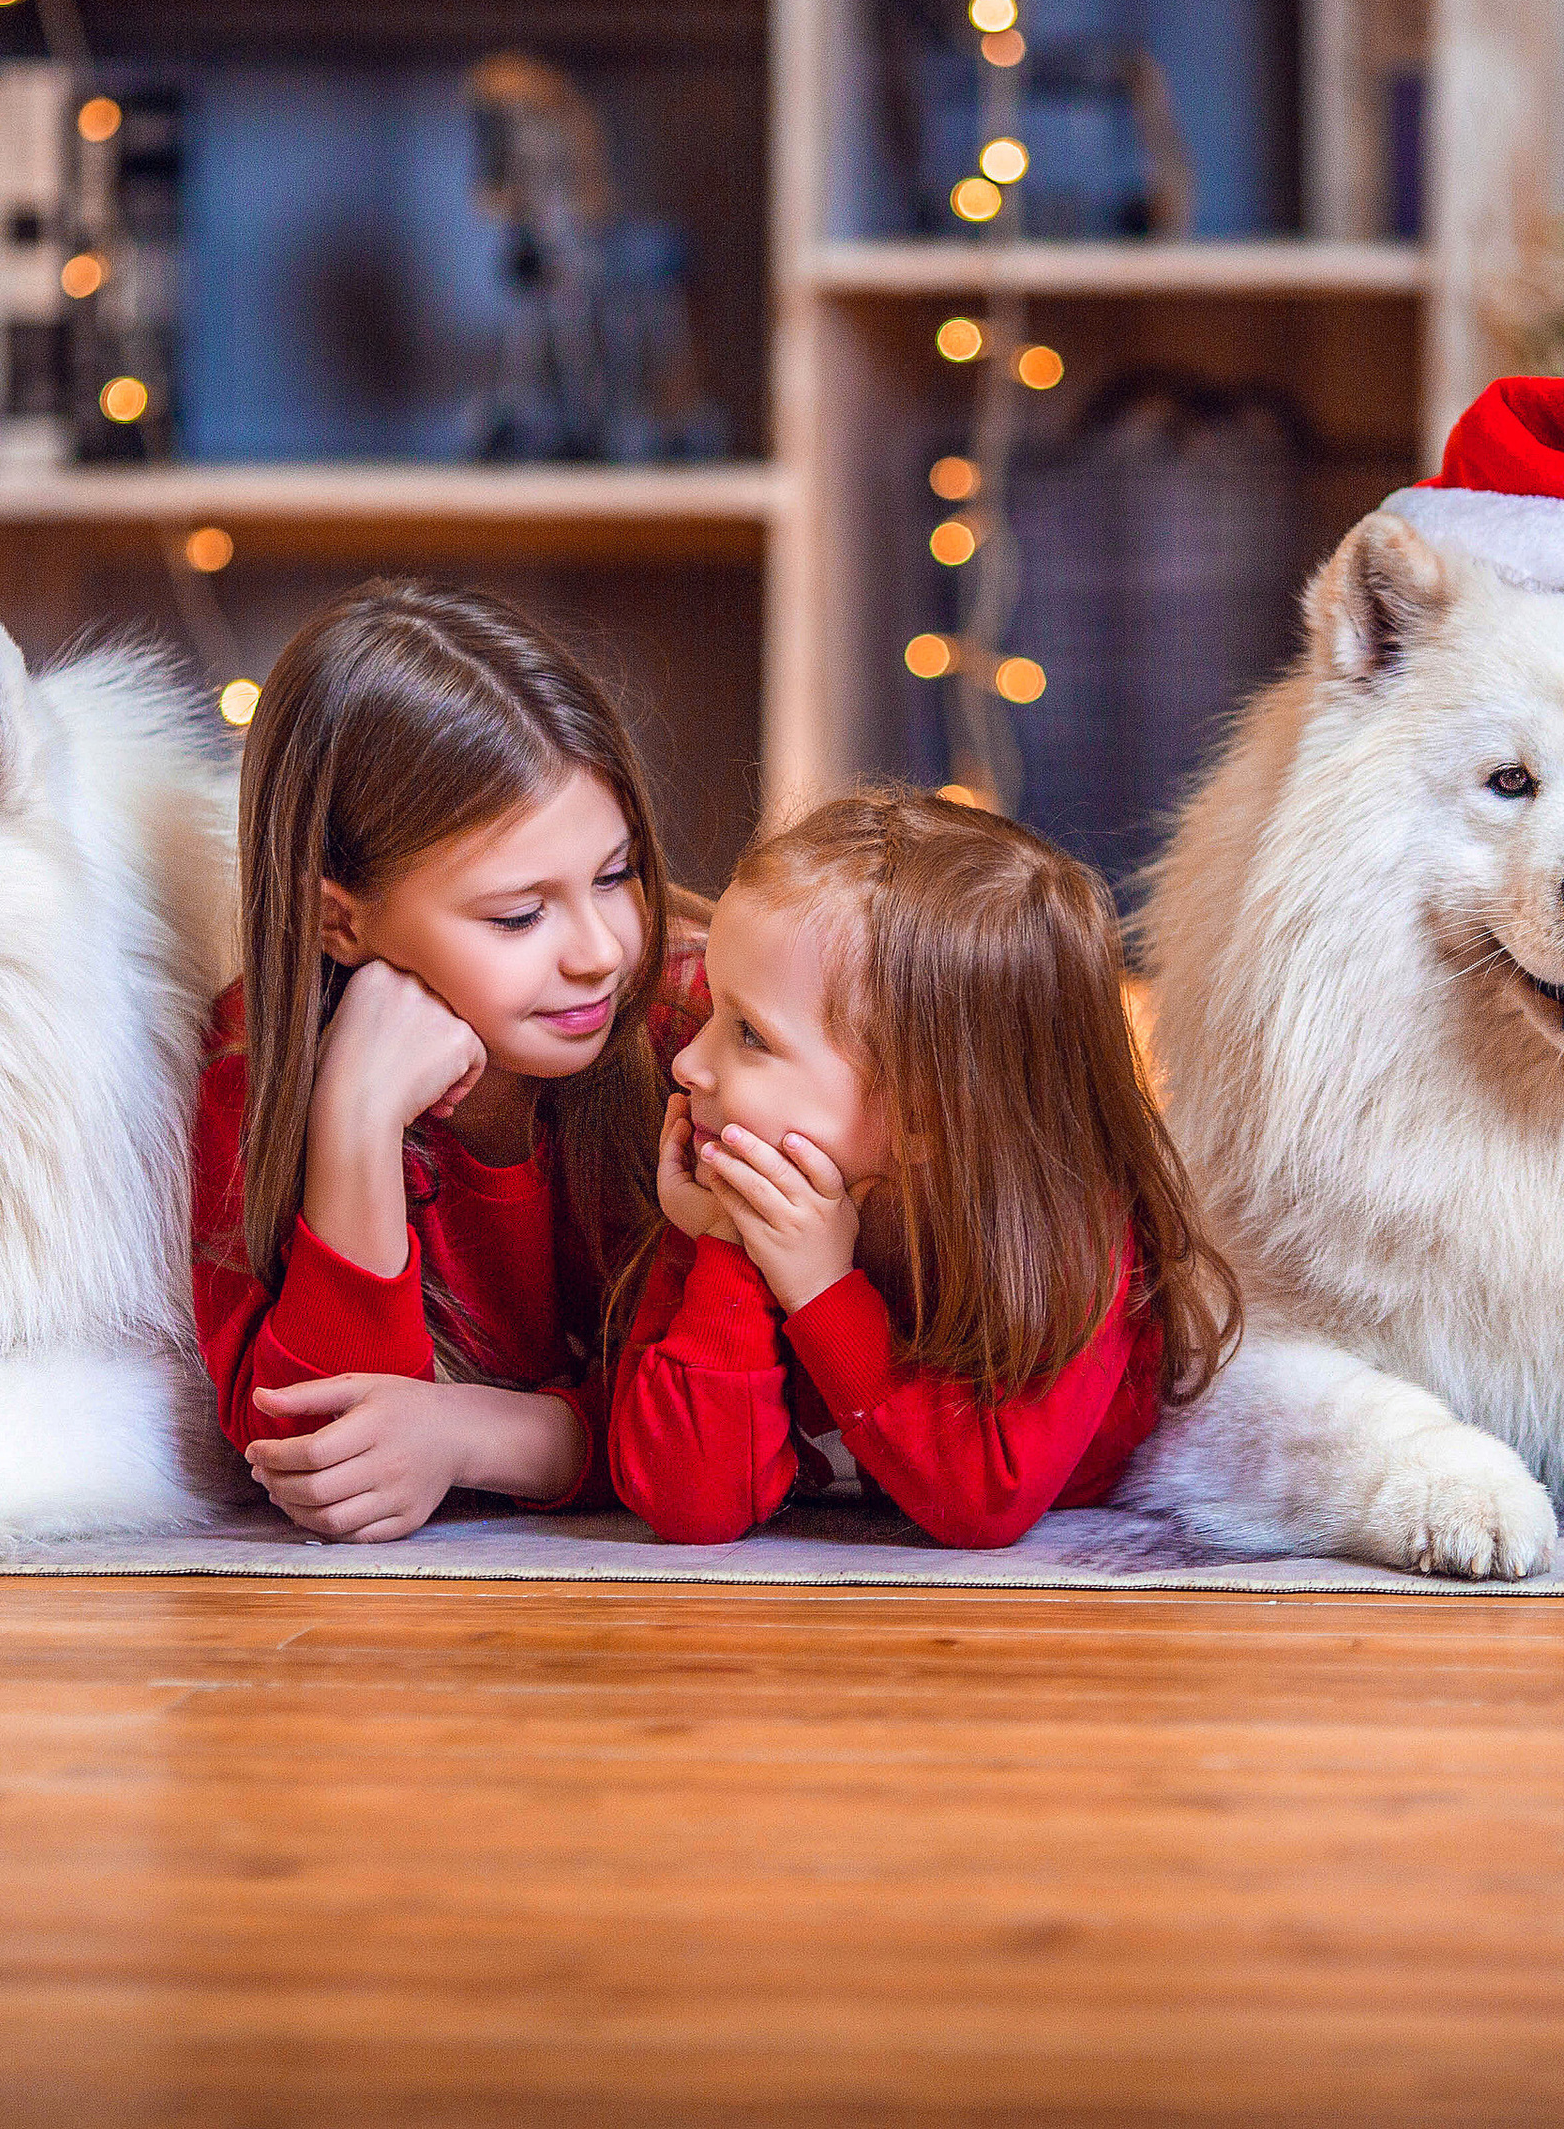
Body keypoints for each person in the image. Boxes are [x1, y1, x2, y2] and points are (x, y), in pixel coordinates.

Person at [192, 580, 701, 1541]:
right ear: (336, 918)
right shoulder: (251, 1071)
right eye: (518, 915)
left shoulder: (694, 1029)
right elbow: (322, 1455)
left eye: (616, 874)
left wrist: (478, 1436)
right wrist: (357, 1118)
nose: (598, 948)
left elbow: (735, 1426)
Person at [608, 787, 1241, 1548]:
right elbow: (689, 1505)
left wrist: (819, 1288)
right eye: (713, 1009)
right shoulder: (740, 1185)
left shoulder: (1071, 1228)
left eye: (750, 1034)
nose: (684, 1063)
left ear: (923, 1114)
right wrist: (729, 1252)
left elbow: (985, 1503)